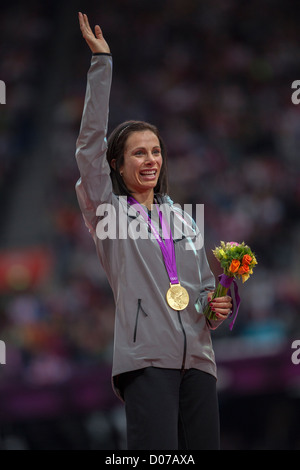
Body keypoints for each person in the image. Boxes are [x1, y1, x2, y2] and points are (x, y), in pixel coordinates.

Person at [76, 12, 232, 450]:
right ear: (116, 164)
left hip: (199, 362)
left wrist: (212, 306)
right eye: (138, 153)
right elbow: (88, 146)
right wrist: (102, 64)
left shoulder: (184, 217)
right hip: (146, 362)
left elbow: (200, 290)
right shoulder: (107, 212)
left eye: (156, 151)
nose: (150, 160)